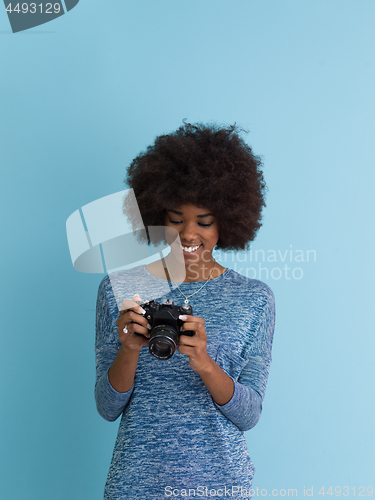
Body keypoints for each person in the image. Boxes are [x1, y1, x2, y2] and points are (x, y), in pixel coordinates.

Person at [95, 123, 276, 500]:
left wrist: (205, 362)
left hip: (220, 486)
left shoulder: (254, 298)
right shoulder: (119, 289)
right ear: (156, 215)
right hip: (136, 485)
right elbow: (107, 407)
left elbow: (249, 415)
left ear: (228, 220)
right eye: (175, 219)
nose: (188, 235)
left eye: (204, 222)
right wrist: (129, 349)